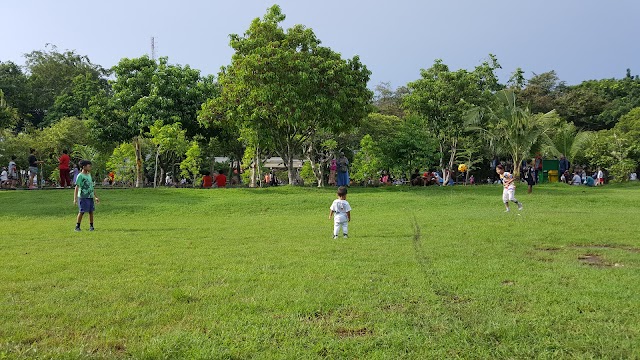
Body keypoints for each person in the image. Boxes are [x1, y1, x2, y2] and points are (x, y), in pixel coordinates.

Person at [73, 160, 99, 232]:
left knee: (91, 211)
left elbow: (91, 187)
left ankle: (91, 226)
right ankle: (77, 226)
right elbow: (77, 187)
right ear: (84, 167)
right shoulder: (80, 176)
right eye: (89, 166)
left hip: (90, 196)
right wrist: (75, 199)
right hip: (83, 196)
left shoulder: (89, 175)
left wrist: (95, 196)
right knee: (82, 211)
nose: (90, 167)